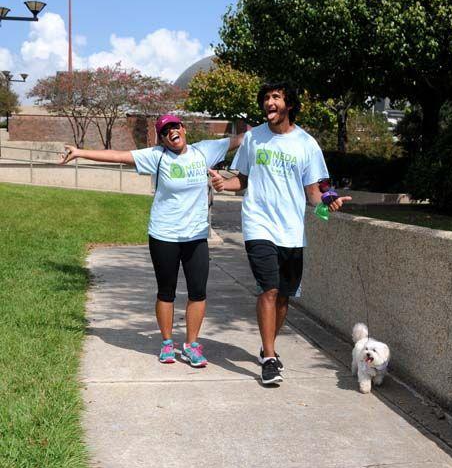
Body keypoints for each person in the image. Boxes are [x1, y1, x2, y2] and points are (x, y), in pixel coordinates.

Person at [61, 115, 243, 366]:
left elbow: (240, 139)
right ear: (162, 138)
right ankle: (167, 343)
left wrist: (275, 122)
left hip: (196, 236)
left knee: (198, 292)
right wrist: (80, 152)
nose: (171, 132)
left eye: (174, 127)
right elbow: (119, 156)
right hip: (164, 235)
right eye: (165, 130)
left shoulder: (205, 151)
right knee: (166, 292)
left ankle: (191, 345)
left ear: (183, 129)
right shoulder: (156, 156)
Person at [210, 81, 350, 386]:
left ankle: (266, 346)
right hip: (258, 224)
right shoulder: (253, 139)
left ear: (289, 104)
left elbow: (314, 191)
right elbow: (242, 181)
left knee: (284, 297)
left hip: (291, 230)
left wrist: (329, 200)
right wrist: (224, 183)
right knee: (269, 289)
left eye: (276, 97)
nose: (269, 103)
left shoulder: (306, 144)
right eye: (266, 99)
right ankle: (271, 358)